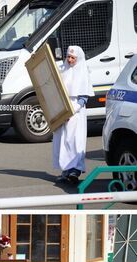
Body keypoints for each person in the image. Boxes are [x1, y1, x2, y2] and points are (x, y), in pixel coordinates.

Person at [53, 45, 94, 184]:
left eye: (73, 58)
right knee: (63, 142)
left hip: (75, 113)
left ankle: (75, 172)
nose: (70, 60)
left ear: (78, 58)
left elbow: (83, 98)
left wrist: (71, 111)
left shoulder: (83, 72)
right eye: (68, 57)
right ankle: (65, 170)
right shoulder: (63, 70)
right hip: (63, 111)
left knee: (75, 142)